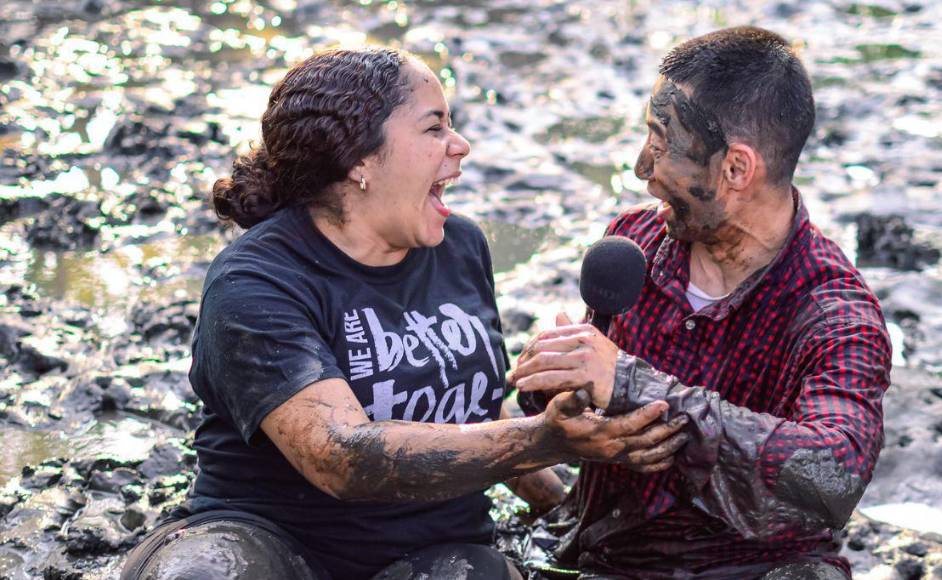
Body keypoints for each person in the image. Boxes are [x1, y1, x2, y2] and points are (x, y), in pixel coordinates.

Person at [120, 47, 687, 580]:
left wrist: (564, 505)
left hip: (432, 553)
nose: (460, 144)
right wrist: (543, 438)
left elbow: (474, 419)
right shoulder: (256, 280)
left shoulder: (460, 245)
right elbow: (338, 457)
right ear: (359, 161)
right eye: (434, 126)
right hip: (271, 543)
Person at [512, 27, 892, 579]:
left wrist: (629, 384)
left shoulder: (836, 316)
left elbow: (833, 476)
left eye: (661, 143)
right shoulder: (633, 244)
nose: (643, 168)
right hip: (601, 555)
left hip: (745, 570)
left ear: (736, 169)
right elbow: (577, 408)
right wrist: (561, 391)